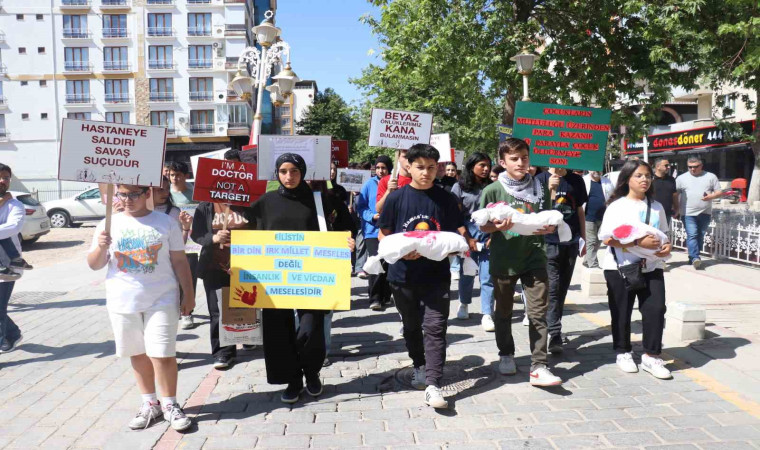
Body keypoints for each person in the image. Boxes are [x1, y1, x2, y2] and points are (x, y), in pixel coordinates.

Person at [87, 184, 195, 431]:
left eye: (133, 194)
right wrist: (102, 246)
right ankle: (150, 403)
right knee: (137, 353)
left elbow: (180, 260)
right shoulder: (107, 224)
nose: (127, 199)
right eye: (122, 194)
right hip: (122, 301)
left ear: (147, 194)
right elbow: (93, 265)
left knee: (163, 354)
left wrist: (188, 294)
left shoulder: (166, 222)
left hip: (162, 299)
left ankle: (170, 405)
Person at [250, 153, 355, 404]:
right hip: (274, 279)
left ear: (303, 172)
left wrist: (347, 240)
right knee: (278, 331)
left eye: (294, 171)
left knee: (311, 328)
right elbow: (248, 235)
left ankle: (311, 371)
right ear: (277, 173)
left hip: (312, 278)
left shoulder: (320, 200)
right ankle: (292, 379)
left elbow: (346, 224)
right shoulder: (265, 202)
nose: (289, 176)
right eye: (284, 171)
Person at [378, 144, 474, 409]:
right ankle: (418, 364)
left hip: (436, 276)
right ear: (408, 166)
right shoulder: (396, 198)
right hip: (402, 276)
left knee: (435, 327)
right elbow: (383, 235)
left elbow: (456, 232)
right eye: (420, 167)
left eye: (432, 167)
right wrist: (399, 253)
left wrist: (459, 246)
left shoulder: (445, 198)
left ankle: (433, 383)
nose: (426, 172)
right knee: (411, 326)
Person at [479, 138, 562, 387]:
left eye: (524, 157)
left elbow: (546, 218)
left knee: (538, 313)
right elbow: (483, 224)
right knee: (503, 312)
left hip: (535, 258)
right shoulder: (493, 190)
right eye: (514, 159)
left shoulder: (539, 187)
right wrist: (497, 226)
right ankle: (506, 353)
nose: (521, 163)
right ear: (502, 162)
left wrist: (546, 227)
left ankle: (539, 365)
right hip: (504, 260)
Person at [600, 159, 672, 379]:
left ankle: (651, 355)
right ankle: (623, 351)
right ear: (627, 179)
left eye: (647, 176)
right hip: (620, 267)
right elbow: (608, 238)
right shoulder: (617, 206)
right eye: (639, 176)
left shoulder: (656, 206)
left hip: (651, 266)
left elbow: (665, 234)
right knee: (621, 311)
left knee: (656, 309)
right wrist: (636, 244)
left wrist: (666, 245)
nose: (645, 180)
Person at [191, 160, 256, 370]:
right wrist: (213, 238)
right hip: (214, 265)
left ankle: (247, 337)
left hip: (245, 264)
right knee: (218, 310)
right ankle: (223, 353)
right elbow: (197, 234)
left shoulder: (250, 204)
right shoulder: (206, 206)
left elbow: (262, 230)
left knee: (243, 305)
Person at [536, 167, 587, 354]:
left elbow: (580, 210)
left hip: (571, 242)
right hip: (548, 242)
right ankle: (554, 333)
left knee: (562, 288)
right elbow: (538, 212)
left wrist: (584, 238)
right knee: (553, 288)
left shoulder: (576, 180)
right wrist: (550, 190)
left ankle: (553, 327)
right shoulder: (539, 179)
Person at [450, 153, 496, 331]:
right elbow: (455, 216)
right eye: (481, 165)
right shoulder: (459, 187)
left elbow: (498, 213)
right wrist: (467, 238)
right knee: (467, 274)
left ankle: (487, 313)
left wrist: (494, 236)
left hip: (488, 237)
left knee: (487, 277)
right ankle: (464, 304)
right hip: (466, 236)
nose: (485, 169)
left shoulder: (493, 187)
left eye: (488, 165)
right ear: (471, 167)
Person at [356, 155, 393, 311]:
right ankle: (375, 297)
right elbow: (361, 207)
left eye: (383, 167)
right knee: (375, 262)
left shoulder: (394, 183)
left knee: (388, 263)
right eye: (377, 167)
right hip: (372, 231)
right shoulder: (368, 184)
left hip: (391, 230)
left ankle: (386, 295)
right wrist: (372, 216)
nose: (380, 170)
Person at [167, 161, 199, 329]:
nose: (175, 178)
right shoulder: (167, 194)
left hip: (191, 243)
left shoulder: (195, 193)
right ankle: (175, 308)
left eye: (178, 175)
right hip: (171, 243)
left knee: (189, 276)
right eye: (172, 175)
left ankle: (188, 313)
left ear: (186, 176)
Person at [676, 156, 722, 269]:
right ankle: (696, 257)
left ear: (701, 166)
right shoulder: (681, 178)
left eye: (695, 167)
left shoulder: (711, 176)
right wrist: (676, 209)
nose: (692, 169)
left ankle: (692, 258)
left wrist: (711, 196)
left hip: (705, 212)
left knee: (700, 236)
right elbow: (675, 195)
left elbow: (719, 192)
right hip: (687, 213)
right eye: (690, 167)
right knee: (692, 235)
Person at [0, 164, 25, 353]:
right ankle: (13, 334)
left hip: (7, 265)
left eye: (6, 177)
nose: (3, 180)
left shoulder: (15, 205)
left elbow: (13, 227)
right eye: (0, 177)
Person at [582, 170, 613, 268]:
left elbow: (613, 196)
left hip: (603, 217)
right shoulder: (584, 181)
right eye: (594, 169)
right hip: (588, 217)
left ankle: (587, 260)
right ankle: (593, 265)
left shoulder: (607, 182)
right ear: (589, 169)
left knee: (599, 240)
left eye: (598, 169)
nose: (596, 171)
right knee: (591, 240)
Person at [376, 148, 412, 214]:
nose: (408, 160)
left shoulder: (421, 181)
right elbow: (379, 209)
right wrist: (389, 191)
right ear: (398, 157)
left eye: (412, 157)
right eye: (405, 157)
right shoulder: (386, 180)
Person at [653, 158, 679, 226]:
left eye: (669, 165)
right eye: (666, 165)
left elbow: (674, 195)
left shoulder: (671, 180)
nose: (668, 167)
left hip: (666, 213)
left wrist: (676, 208)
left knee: (664, 235)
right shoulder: (650, 179)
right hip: (653, 213)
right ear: (658, 166)